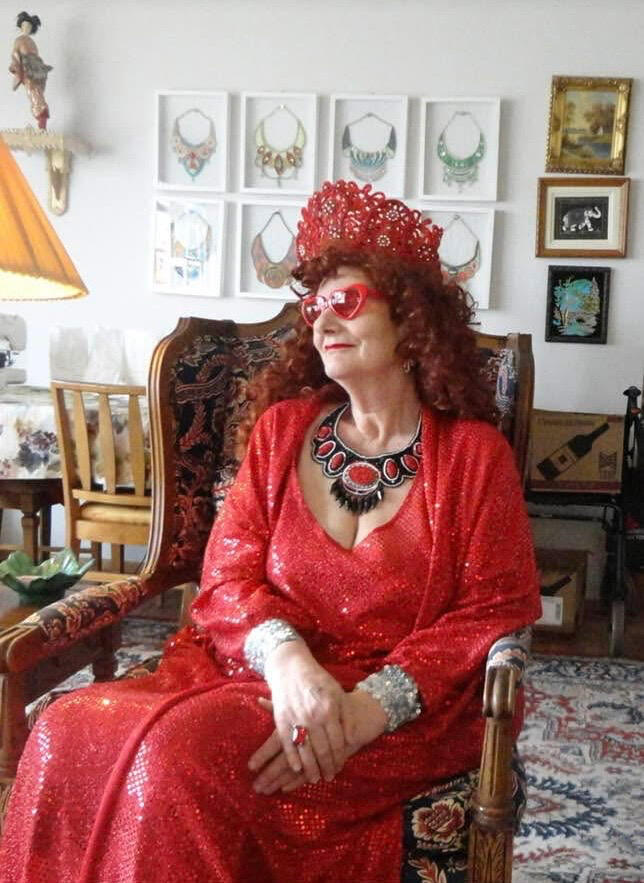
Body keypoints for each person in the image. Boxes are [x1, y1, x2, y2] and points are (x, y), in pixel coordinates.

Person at [0, 179, 541, 883]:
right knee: (66, 727)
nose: (321, 320)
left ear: (411, 320)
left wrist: (366, 710)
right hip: (254, 675)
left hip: (397, 716)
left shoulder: (473, 455)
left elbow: (491, 611)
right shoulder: (283, 431)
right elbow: (226, 578)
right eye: (314, 307)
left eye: (346, 301)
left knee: (176, 755)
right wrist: (289, 665)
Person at [9, 11, 53, 130]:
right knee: (34, 93)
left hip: (36, 69)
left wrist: (40, 68)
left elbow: (36, 57)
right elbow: (15, 55)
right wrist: (18, 70)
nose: (26, 28)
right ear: (21, 27)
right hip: (27, 69)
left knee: (38, 93)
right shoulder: (19, 40)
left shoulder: (32, 42)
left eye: (29, 26)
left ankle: (42, 123)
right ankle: (41, 118)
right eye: (25, 26)